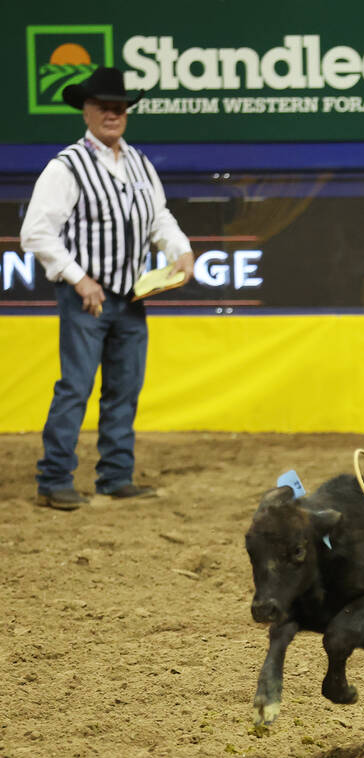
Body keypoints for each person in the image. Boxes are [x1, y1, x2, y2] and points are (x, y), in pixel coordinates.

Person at [20, 68, 195, 511]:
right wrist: (79, 278)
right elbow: (36, 233)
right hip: (86, 297)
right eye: (104, 106)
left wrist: (181, 250)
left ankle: (115, 476)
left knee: (124, 388)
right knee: (75, 388)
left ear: (126, 113)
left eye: (120, 107)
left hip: (132, 294)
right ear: (87, 110)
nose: (113, 114)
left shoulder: (138, 162)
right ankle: (54, 480)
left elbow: (159, 217)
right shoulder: (67, 166)